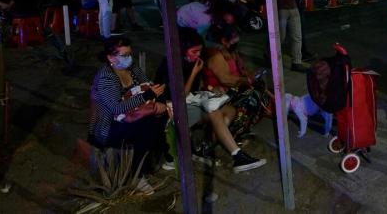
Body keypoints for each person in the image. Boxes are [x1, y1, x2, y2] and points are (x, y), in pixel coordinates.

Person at [155, 28, 266, 172]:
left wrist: (211, 89)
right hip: (172, 110)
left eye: (199, 51)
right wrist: (194, 73)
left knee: (230, 111)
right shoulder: (171, 65)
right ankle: (238, 156)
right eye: (194, 52)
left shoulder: (194, 61)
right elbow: (180, 96)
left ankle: (207, 146)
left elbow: (198, 87)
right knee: (214, 113)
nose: (198, 55)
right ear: (182, 50)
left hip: (190, 103)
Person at [88, 37, 168, 195]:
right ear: (111, 57)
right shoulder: (106, 77)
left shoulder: (132, 68)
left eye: (130, 54)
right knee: (146, 126)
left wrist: (154, 97)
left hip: (133, 115)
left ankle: (154, 162)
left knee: (161, 114)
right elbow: (116, 108)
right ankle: (136, 176)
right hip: (109, 125)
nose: (129, 58)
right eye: (124, 55)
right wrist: (147, 98)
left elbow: (146, 85)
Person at [204, 24, 272, 140]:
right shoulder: (216, 56)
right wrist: (245, 80)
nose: (236, 44)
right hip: (221, 92)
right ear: (224, 41)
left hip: (234, 88)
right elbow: (225, 79)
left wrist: (251, 75)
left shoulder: (232, 52)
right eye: (234, 41)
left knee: (262, 92)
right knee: (252, 98)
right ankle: (222, 133)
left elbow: (242, 71)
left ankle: (238, 129)